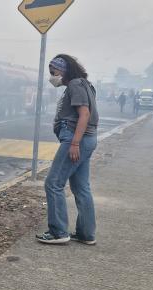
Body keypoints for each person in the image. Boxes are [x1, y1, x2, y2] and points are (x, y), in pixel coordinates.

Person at [36, 54, 100, 245]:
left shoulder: (75, 85)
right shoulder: (85, 84)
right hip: (86, 139)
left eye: (53, 72)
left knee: (53, 183)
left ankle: (58, 232)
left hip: (76, 139)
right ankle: (86, 233)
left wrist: (74, 143)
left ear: (62, 70)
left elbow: (84, 114)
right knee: (81, 187)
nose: (52, 76)